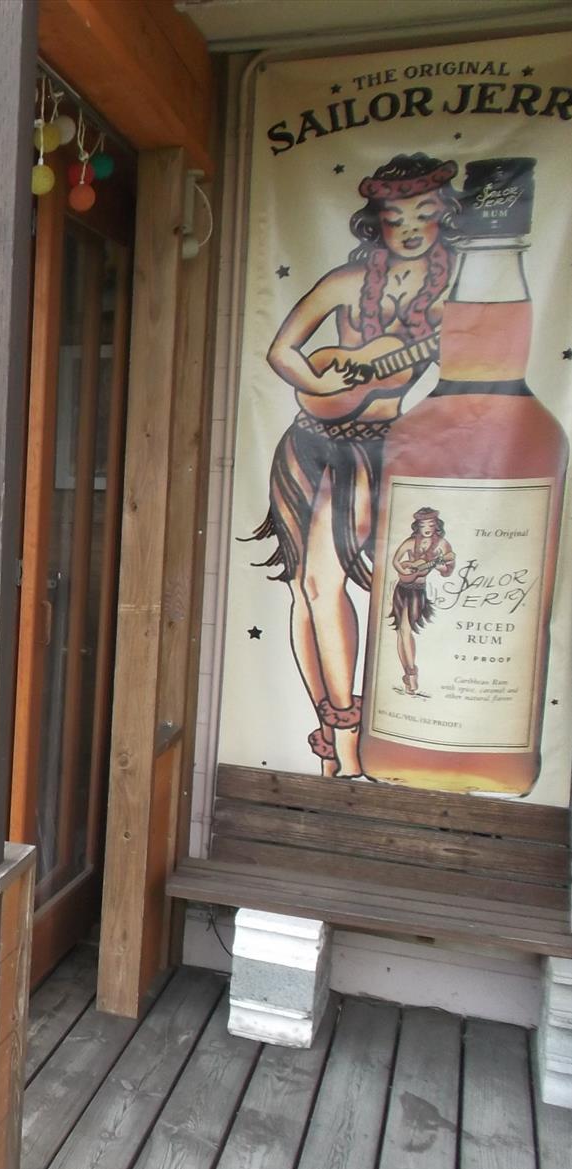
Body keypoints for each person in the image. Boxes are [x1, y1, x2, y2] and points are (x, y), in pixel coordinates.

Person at [248, 152, 461, 776]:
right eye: (397, 217)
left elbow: (473, 364)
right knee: (300, 587)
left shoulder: (455, 291)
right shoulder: (348, 281)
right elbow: (282, 350)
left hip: (372, 447)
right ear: (378, 221)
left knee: (324, 582)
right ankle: (328, 732)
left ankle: (346, 734)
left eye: (424, 213)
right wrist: (320, 377)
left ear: (444, 214)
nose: (411, 228)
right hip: (307, 439)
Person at [388, 506, 455, 695]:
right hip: (402, 588)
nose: (427, 528)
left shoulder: (442, 545)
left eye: (431, 524)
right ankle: (409, 674)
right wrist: (403, 569)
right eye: (423, 525)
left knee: (405, 631)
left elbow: (448, 569)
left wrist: (440, 567)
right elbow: (396, 560)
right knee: (402, 632)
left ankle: (411, 674)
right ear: (417, 526)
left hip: (418, 592)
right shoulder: (411, 542)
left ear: (436, 525)